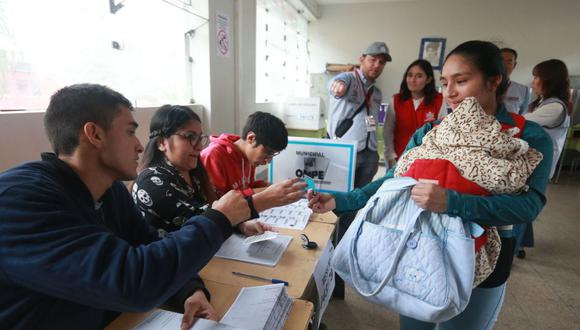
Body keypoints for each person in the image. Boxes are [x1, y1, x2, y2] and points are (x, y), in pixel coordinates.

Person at [308, 41, 552, 329]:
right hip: (418, 248)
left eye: (461, 81)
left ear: (494, 80)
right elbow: (395, 180)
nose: (449, 92)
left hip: (482, 259)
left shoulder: (526, 137)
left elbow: (528, 207)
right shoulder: (431, 132)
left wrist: (453, 203)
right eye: (446, 82)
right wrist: (342, 201)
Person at [0, 84, 253, 330]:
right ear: (95, 134)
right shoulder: (19, 200)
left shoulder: (110, 191)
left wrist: (190, 291)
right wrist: (218, 218)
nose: (140, 146)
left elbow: (150, 245)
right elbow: (130, 282)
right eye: (130, 132)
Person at [134, 105, 305, 239]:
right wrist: (263, 199)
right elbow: (200, 219)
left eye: (200, 137)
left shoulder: (194, 172)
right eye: (189, 137)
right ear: (161, 142)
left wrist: (240, 225)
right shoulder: (151, 182)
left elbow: (211, 206)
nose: (199, 146)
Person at [514, 59, 571, 259]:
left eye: (537, 77)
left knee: (522, 202)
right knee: (523, 198)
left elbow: (520, 122)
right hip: (531, 161)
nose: (533, 82)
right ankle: (521, 245)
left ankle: (514, 247)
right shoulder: (541, 102)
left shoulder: (555, 107)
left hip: (539, 164)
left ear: (549, 79)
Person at [326, 41, 391, 188]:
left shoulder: (377, 92)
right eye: (372, 60)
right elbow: (335, 83)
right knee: (338, 194)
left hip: (371, 153)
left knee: (357, 198)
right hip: (346, 151)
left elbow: (375, 120)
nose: (376, 65)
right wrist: (338, 86)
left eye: (381, 62)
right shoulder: (349, 79)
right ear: (362, 59)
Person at [201, 111, 288, 197]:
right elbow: (216, 202)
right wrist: (262, 191)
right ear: (251, 138)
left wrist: (265, 186)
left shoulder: (249, 157)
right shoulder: (213, 156)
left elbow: (246, 186)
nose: (268, 161)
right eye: (268, 153)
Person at [383, 59, 445, 168]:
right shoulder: (396, 100)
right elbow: (387, 132)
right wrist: (391, 157)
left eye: (419, 76)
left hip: (426, 160)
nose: (412, 80)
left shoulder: (439, 101)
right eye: (410, 75)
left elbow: (442, 132)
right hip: (398, 158)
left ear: (428, 79)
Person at [501, 47, 531, 115]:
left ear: (514, 65)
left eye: (509, 62)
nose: (504, 65)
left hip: (512, 124)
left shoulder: (523, 90)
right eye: (502, 61)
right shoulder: (485, 86)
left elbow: (522, 114)